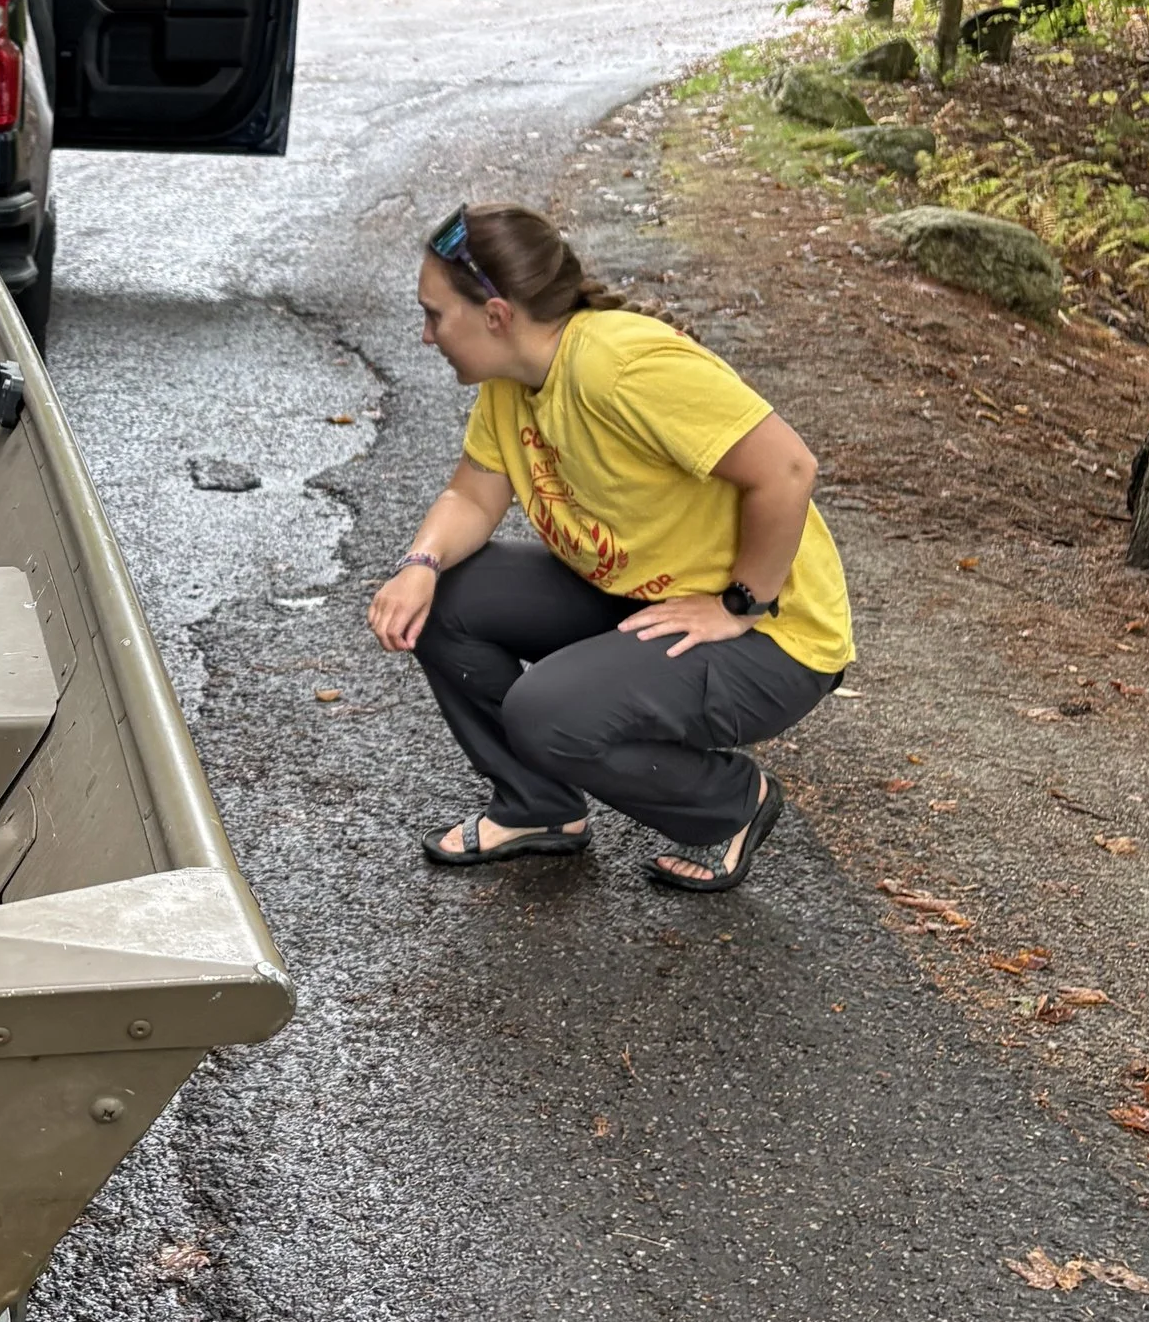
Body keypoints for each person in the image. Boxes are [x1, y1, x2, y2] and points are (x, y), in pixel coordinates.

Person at [366, 204, 854, 893]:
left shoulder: (620, 366)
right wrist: (419, 565)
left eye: (435, 315)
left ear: (497, 315)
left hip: (775, 636)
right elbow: (473, 498)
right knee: (445, 595)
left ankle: (731, 803)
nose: (425, 335)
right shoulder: (515, 380)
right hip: (646, 592)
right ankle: (539, 808)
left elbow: (788, 469)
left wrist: (741, 602)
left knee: (546, 711)